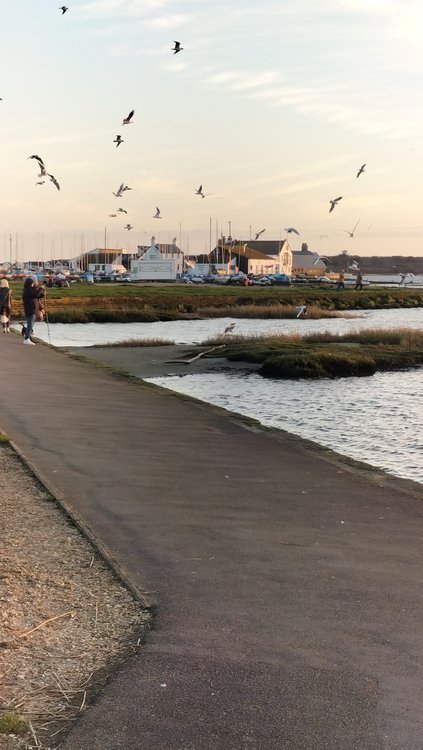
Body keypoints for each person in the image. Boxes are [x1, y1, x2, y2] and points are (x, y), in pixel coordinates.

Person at [22, 277, 45, 345]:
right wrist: (41, 289)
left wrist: (42, 293)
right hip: (30, 309)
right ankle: (26, 339)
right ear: (30, 284)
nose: (33, 285)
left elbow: (36, 296)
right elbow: (35, 295)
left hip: (30, 309)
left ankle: (27, 336)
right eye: (32, 283)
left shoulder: (27, 290)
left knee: (31, 324)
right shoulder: (28, 291)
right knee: (30, 324)